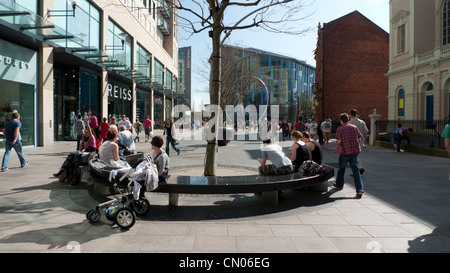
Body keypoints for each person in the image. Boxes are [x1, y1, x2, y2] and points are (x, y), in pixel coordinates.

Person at [334, 113, 364, 199]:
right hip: (355, 151)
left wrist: (338, 142)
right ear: (348, 119)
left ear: (341, 120)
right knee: (356, 171)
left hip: (345, 152)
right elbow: (359, 138)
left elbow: (339, 141)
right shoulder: (354, 127)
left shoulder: (340, 129)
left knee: (341, 169)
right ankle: (359, 190)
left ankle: (339, 185)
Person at [348, 109, 369, 174]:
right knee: (355, 156)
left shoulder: (349, 123)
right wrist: (365, 141)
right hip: (360, 141)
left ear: (350, 115)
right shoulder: (362, 122)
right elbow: (365, 132)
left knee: (353, 157)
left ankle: (359, 168)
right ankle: (357, 169)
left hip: (352, 142)